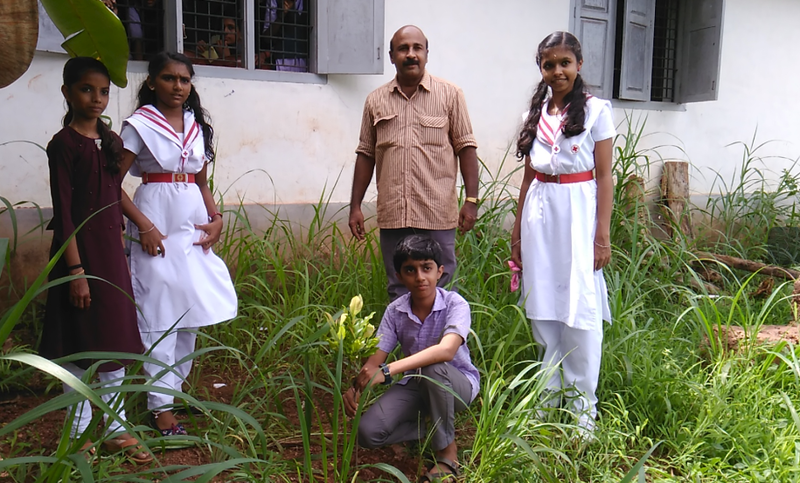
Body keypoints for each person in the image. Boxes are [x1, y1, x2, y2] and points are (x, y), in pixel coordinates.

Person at [119, 51, 238, 436]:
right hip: (157, 220)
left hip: (190, 226)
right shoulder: (139, 125)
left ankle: (174, 389)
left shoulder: (194, 126)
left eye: (184, 80)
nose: (177, 86)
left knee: (189, 312)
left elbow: (201, 183)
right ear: (152, 81)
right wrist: (144, 227)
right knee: (160, 313)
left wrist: (217, 219)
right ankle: (159, 407)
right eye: (169, 78)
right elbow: (112, 183)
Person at [40, 57, 151, 464]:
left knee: (115, 340)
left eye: (104, 91)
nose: (97, 98)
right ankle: (80, 432)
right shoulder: (63, 145)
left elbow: (113, 193)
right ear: (67, 92)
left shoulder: (111, 142)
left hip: (111, 255)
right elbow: (65, 212)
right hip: (79, 256)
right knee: (81, 344)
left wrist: (140, 226)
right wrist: (75, 271)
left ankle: (117, 430)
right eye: (87, 89)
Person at [510, 31, 614, 437]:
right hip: (540, 213)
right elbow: (527, 179)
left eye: (565, 63)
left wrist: (600, 236)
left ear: (579, 65)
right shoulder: (534, 115)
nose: (558, 71)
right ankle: (547, 397)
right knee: (544, 304)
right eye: (549, 64)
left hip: (578, 213)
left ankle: (582, 412)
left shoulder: (595, 111)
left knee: (580, 307)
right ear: (541, 68)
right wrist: (517, 232)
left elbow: (604, 176)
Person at [349, 25, 480, 301]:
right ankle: (406, 344)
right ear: (391, 56)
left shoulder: (450, 95)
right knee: (399, 285)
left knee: (442, 285)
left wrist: (471, 200)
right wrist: (355, 206)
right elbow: (366, 154)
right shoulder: (375, 101)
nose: (410, 54)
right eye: (403, 48)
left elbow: (466, 147)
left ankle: (444, 344)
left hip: (436, 213)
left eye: (416, 48)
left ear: (426, 54)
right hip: (394, 214)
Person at [344, 235, 479, 482]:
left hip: (457, 386)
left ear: (439, 272)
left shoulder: (454, 303)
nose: (419, 277)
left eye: (426, 268)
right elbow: (375, 361)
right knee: (367, 433)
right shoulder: (396, 310)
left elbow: (446, 351)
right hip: (416, 384)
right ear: (399, 276)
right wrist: (357, 386)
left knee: (433, 367)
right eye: (410, 270)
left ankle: (448, 455)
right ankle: (435, 429)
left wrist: (387, 371)